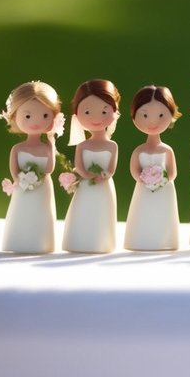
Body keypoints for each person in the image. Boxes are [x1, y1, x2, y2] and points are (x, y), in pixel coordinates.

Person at [0, 81, 64, 254]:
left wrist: (51, 143)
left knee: (41, 214)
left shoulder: (45, 148)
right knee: (23, 212)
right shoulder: (18, 149)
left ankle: (41, 243)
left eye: (45, 116)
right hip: (23, 187)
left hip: (43, 187)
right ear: (14, 117)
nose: (36, 122)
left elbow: (49, 168)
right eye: (27, 116)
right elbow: (14, 170)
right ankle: (20, 241)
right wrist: (20, 179)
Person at [61, 78, 120, 253]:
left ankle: (102, 243)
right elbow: (79, 165)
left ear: (115, 112)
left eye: (104, 111)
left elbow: (112, 168)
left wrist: (105, 175)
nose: (96, 118)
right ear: (77, 115)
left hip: (104, 185)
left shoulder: (112, 145)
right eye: (87, 112)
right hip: (86, 185)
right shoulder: (83, 145)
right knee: (83, 211)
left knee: (102, 213)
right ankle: (79, 241)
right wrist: (86, 175)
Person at [124, 85, 182, 251]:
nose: (152, 121)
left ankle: (165, 241)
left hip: (165, 190)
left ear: (170, 116)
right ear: (135, 117)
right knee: (144, 214)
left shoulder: (167, 150)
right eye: (145, 115)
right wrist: (142, 179)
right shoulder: (139, 150)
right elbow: (134, 169)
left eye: (161, 115)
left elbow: (172, 172)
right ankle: (141, 240)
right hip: (143, 189)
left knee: (163, 214)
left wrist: (163, 180)